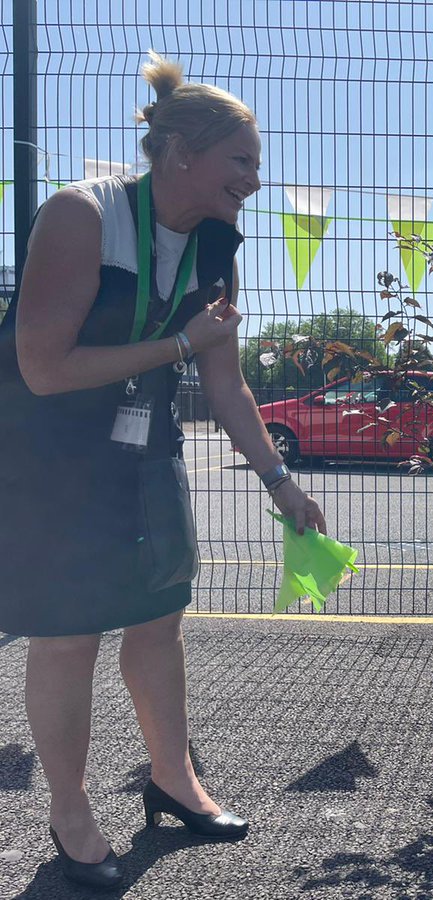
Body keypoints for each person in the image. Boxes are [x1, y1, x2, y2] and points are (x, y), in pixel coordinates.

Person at [0, 52, 325, 890]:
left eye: (256, 163)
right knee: (68, 636)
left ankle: (172, 780)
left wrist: (279, 480)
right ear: (181, 151)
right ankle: (70, 811)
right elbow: (43, 368)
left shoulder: (217, 245)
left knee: (157, 623)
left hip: (145, 455)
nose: (255, 179)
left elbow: (227, 381)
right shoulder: (80, 215)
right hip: (49, 461)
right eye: (242, 161)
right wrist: (181, 343)